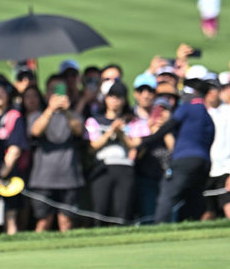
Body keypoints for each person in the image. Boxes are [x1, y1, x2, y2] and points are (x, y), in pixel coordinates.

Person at [140, 67, 215, 222]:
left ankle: (159, 230)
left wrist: (145, 141)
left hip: (184, 160)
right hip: (204, 163)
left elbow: (168, 126)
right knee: (194, 199)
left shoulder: (187, 108)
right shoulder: (208, 117)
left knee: (167, 195)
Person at [28, 75, 85, 233]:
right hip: (43, 180)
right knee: (43, 222)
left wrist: (66, 111)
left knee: (66, 222)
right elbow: (36, 131)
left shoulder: (74, 115)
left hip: (69, 179)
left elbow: (78, 130)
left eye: (60, 91)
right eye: (53, 91)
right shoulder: (36, 115)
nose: (57, 96)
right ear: (46, 94)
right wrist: (50, 109)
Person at [84, 81, 140, 224]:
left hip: (125, 168)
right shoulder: (95, 120)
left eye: (119, 97)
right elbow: (92, 146)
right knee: (100, 210)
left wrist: (121, 133)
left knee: (122, 212)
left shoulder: (131, 121)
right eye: (111, 97)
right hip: (102, 168)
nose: (115, 101)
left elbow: (134, 146)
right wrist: (110, 132)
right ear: (106, 99)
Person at [0, 78, 29, 235]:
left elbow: (14, 150)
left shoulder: (14, 116)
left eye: (3, 91)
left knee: (10, 217)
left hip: (7, 173)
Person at [202, 75, 230, 220]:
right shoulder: (201, 113)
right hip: (206, 172)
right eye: (208, 90)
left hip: (226, 171)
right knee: (207, 214)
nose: (211, 93)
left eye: (214, 89)